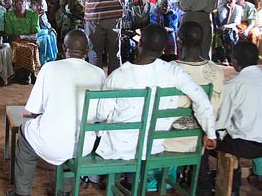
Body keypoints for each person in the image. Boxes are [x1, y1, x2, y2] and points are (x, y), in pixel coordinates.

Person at [5, 29, 106, 196]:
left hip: (49, 143)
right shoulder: (99, 73)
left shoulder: (49, 68)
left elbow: (33, 110)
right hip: (82, 146)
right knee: (70, 142)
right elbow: (100, 114)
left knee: (25, 137)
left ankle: (21, 192)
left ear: (62, 47)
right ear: (87, 51)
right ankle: (66, 190)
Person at [95, 23, 216, 161]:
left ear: (140, 43)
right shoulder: (173, 72)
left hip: (119, 147)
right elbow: (201, 100)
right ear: (163, 50)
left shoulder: (117, 76)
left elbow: (102, 115)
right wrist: (210, 133)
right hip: (153, 146)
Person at [206, 42, 262, 196]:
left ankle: (226, 186)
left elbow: (221, 123)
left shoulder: (233, 85)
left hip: (246, 145)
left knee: (207, 142)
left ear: (234, 61)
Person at [164, 21, 224, 153]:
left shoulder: (169, 70)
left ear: (179, 42)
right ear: (203, 42)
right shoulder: (216, 71)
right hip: (201, 140)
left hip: (167, 141)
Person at [5, 0, 41, 84]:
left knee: (30, 47)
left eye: (22, 1)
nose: (20, 3)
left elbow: (35, 35)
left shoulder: (33, 15)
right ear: (13, 4)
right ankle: (22, 75)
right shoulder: (8, 16)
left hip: (29, 41)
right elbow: (10, 35)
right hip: (15, 42)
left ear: (26, 2)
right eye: (17, 2)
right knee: (19, 47)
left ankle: (31, 74)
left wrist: (22, 36)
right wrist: (26, 36)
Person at [30, 0, 58, 65]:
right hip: (34, 34)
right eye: (37, 6)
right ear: (32, 6)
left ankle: (52, 57)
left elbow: (46, 25)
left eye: (41, 6)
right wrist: (37, 16)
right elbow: (34, 29)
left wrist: (40, 17)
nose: (40, 8)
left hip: (41, 31)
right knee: (45, 37)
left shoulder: (42, 13)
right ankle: (43, 60)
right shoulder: (29, 14)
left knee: (52, 34)